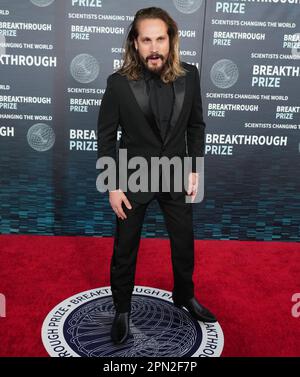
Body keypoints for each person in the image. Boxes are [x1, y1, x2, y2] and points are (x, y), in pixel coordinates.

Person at [97, 7, 217, 345]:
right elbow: (106, 137)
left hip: (176, 173)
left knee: (184, 242)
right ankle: (122, 309)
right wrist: (112, 185)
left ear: (171, 39)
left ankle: (184, 295)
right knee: (126, 247)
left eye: (160, 39)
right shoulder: (119, 84)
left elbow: (196, 126)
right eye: (146, 39)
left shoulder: (189, 76)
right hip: (133, 176)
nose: (154, 48)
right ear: (135, 43)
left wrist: (194, 168)